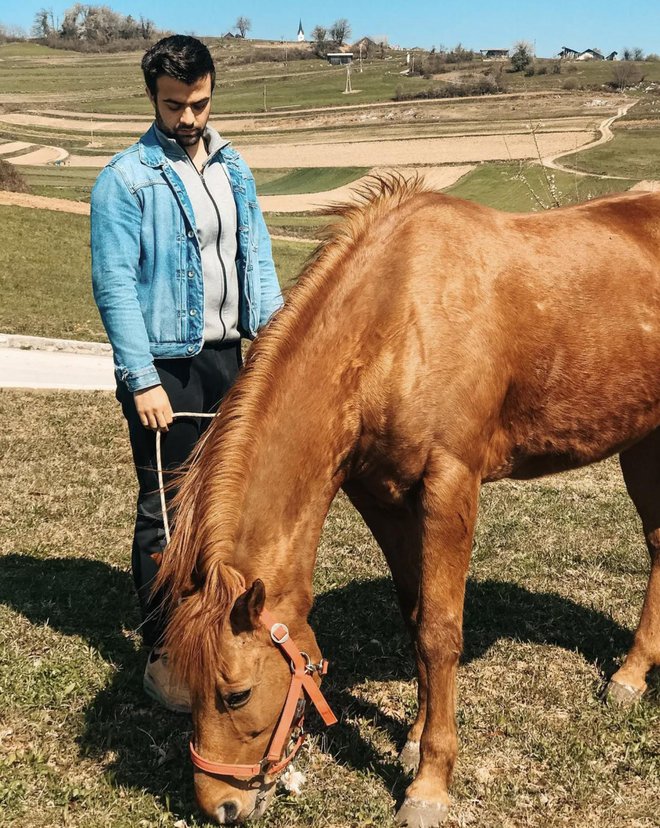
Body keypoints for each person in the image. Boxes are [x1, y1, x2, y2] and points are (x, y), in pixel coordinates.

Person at [90, 35, 282, 713]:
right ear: (152, 98)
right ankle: (165, 652)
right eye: (175, 105)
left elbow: (254, 253)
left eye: (199, 102)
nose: (189, 118)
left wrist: (277, 340)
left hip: (229, 358)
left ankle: (217, 629)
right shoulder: (124, 179)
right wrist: (140, 377)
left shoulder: (234, 168)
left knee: (224, 507)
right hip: (165, 367)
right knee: (166, 510)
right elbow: (113, 284)